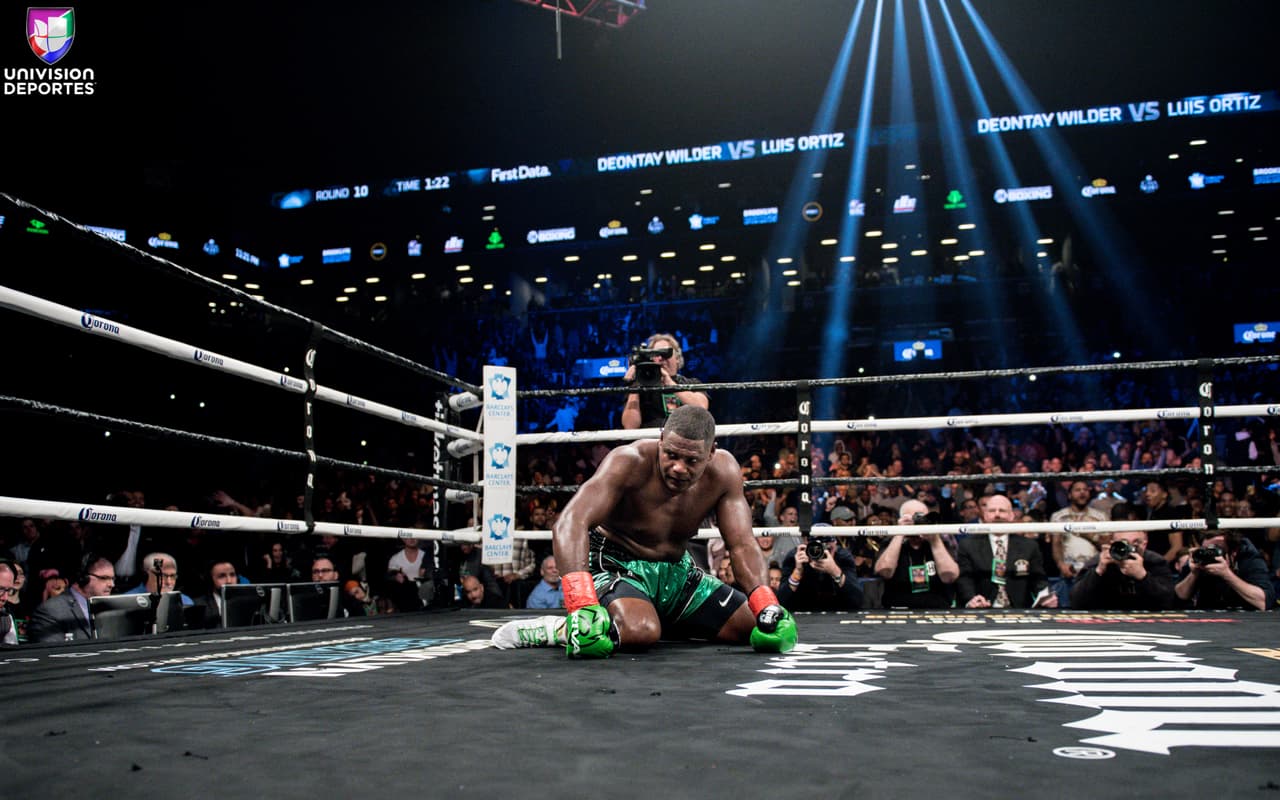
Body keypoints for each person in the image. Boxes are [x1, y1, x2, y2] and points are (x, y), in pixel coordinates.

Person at [491, 405, 796, 657]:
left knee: (758, 625)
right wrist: (580, 603)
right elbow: (570, 523)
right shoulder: (629, 461)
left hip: (677, 573)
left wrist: (766, 602)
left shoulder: (724, 473)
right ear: (661, 439)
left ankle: (646, 614)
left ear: (711, 453)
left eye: (691, 460)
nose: (678, 468)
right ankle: (560, 629)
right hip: (614, 563)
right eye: (672, 455)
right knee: (640, 631)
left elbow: (742, 544)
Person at [956, 494, 1057, 609]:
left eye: (1002, 511)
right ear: (985, 516)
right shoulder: (968, 545)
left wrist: (1046, 596)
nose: (997, 515)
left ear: (1011, 516)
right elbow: (964, 579)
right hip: (982, 608)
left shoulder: (1029, 546)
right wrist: (971, 599)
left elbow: (1038, 579)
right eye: (992, 511)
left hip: (1019, 610)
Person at [874, 500, 959, 609]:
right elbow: (885, 572)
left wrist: (935, 540)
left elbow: (950, 577)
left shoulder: (940, 541)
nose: (918, 521)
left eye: (922, 517)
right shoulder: (891, 541)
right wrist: (899, 533)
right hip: (899, 608)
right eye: (913, 518)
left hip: (937, 608)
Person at [1068, 530, 1177, 610]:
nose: (1129, 549)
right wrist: (1099, 571)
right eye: (1123, 543)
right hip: (1106, 620)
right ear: (1112, 544)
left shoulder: (1155, 562)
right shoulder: (1099, 562)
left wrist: (1143, 576)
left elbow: (1168, 603)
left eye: (1136, 543)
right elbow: (1076, 602)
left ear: (1144, 544)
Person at [620, 332, 709, 430]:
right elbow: (630, 427)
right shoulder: (640, 388)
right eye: (656, 354)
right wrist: (635, 385)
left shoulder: (690, 383)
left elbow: (701, 408)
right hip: (651, 440)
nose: (661, 358)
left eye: (665, 353)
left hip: (685, 438)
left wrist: (670, 383)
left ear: (677, 358)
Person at [1174, 531, 1274, 611]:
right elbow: (1180, 596)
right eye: (1207, 549)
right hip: (1208, 618)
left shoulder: (1249, 558)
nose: (1210, 554)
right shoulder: (1201, 557)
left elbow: (1263, 602)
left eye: (1215, 550)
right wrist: (1194, 574)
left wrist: (1227, 574)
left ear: (1233, 553)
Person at [27, 554, 115, 642]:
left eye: (112, 579)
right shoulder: (50, 611)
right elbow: (51, 651)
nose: (111, 584)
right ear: (83, 578)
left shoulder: (112, 608)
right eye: (104, 578)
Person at [776, 530, 863, 611]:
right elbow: (782, 603)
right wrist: (798, 571)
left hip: (836, 613)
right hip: (803, 614)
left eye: (827, 549)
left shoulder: (843, 557)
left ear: (835, 545)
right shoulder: (795, 557)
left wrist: (835, 571)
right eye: (815, 549)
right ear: (806, 544)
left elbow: (857, 601)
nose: (820, 553)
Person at [123, 552, 194, 606]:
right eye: (162, 576)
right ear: (146, 575)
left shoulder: (185, 601)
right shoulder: (126, 601)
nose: (169, 582)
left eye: (172, 576)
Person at [193, 559, 241, 628]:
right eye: (222, 576)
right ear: (210, 580)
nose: (229, 581)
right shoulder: (199, 605)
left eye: (232, 575)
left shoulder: (248, 601)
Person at [0, 559, 18, 645]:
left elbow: (12, 656)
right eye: (0, 589)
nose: (5, 598)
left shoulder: (5, 619)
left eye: (9, 590)